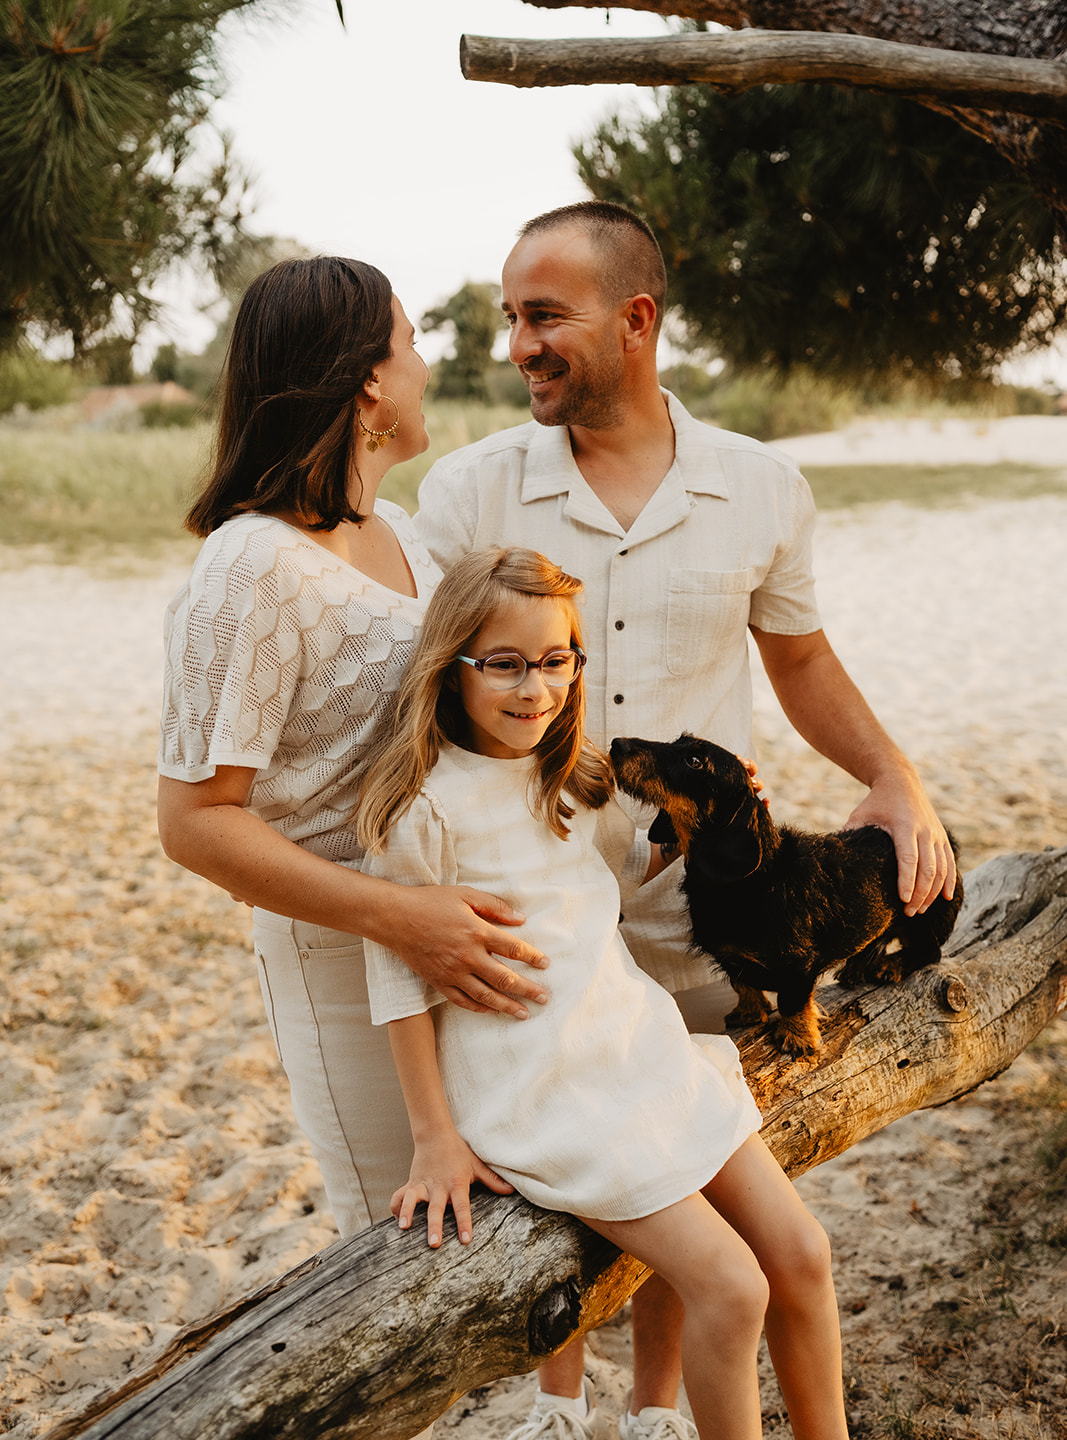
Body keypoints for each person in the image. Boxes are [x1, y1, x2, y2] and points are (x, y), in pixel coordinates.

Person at [414, 201, 957, 1440]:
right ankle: (560, 1413)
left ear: (636, 319)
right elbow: (422, 689)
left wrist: (893, 775)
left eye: (542, 315)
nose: (518, 343)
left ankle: (655, 1413)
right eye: (510, 316)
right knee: (569, 1209)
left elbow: (802, 662)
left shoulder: (759, 487)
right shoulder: (466, 490)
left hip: (689, 912)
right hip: (537, 920)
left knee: (674, 1163)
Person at [355, 545, 850, 1440]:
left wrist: (727, 812)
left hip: (633, 1047)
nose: (533, 688)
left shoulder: (574, 776)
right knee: (731, 1286)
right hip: (544, 1084)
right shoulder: (423, 808)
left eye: (555, 660)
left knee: (802, 1255)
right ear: (450, 667)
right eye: (502, 664)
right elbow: (394, 977)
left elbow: (614, 878)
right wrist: (434, 1139)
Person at [157, 255, 552, 1252]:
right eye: (412, 341)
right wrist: (404, 918)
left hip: (457, 946)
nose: (426, 365)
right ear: (369, 379)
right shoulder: (248, 565)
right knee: (403, 1267)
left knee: (517, 1231)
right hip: (347, 966)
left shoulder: (409, 540)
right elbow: (196, 822)